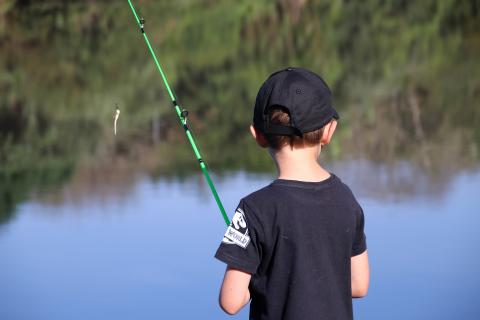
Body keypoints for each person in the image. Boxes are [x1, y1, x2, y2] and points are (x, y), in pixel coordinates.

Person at [214, 67, 370, 320]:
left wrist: (262, 272)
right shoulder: (346, 199)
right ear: (329, 131)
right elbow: (359, 285)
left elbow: (231, 302)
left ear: (258, 135)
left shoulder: (254, 209)